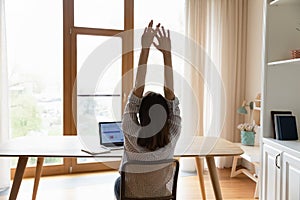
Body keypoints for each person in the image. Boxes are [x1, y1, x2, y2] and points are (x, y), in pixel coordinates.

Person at [114, 20, 181, 200]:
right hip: (162, 196)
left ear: (140, 114)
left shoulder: (130, 130)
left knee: (117, 183)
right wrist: (167, 54)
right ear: (166, 115)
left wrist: (145, 49)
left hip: (131, 195)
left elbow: (137, 91)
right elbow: (170, 93)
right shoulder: (173, 133)